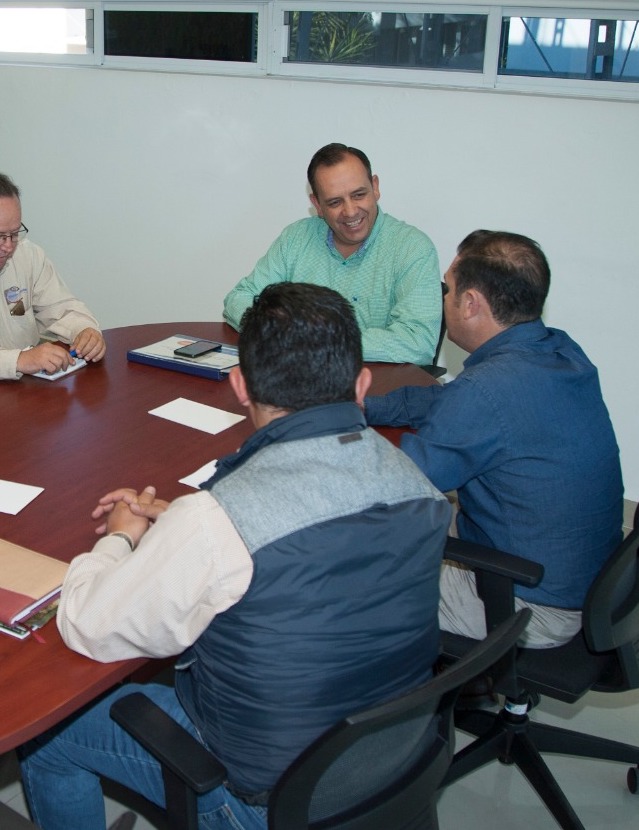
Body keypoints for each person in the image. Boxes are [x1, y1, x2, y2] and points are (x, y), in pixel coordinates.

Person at [19, 282, 451, 830]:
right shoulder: (415, 482)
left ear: (240, 385)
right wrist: (186, 526)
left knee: (50, 736)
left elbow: (88, 624)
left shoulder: (217, 523)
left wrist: (120, 538)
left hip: (267, 801)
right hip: (395, 757)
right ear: (362, 383)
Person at [365, 230, 624, 649]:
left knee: (347, 575)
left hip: (530, 601)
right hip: (583, 576)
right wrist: (364, 406)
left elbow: (393, 485)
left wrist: (322, 439)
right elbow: (447, 401)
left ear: (470, 303)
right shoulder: (559, 352)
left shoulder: (485, 391)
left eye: (447, 289)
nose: (443, 298)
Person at [223, 143, 441, 365]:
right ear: (317, 204)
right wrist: (276, 331)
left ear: (375, 187)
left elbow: (418, 341)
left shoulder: (412, 248)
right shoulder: (296, 238)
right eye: (335, 202)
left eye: (358, 195)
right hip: (297, 376)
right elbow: (240, 298)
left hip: (377, 382)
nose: (350, 211)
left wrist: (319, 341)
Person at [0, 172, 105, 380]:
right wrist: (18, 360)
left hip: (25, 389)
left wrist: (84, 330)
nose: (9, 246)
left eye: (15, 233)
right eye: (0, 236)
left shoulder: (28, 256)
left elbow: (61, 308)